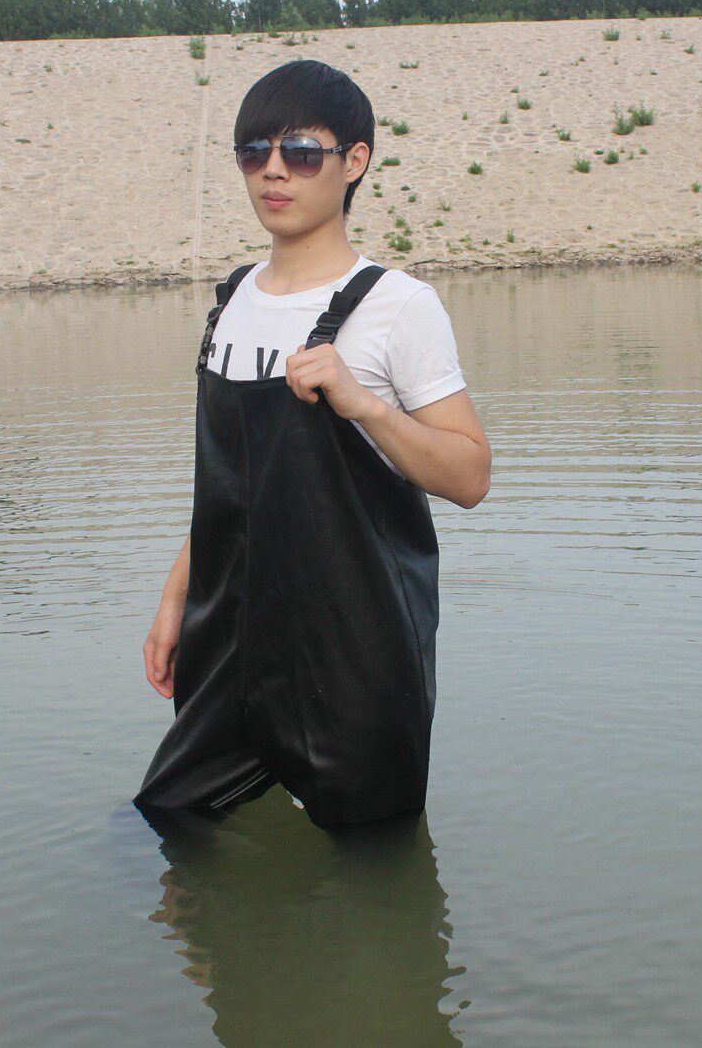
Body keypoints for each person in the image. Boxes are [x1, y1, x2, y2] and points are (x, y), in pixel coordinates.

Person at [133, 59, 491, 830]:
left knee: (374, 861)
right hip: (229, 646)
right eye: (253, 151)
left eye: (299, 152)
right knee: (169, 821)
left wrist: (364, 406)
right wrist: (173, 602)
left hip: (355, 655)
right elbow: (232, 488)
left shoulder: (398, 306)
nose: (273, 171)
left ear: (354, 161)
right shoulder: (231, 301)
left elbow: (469, 474)